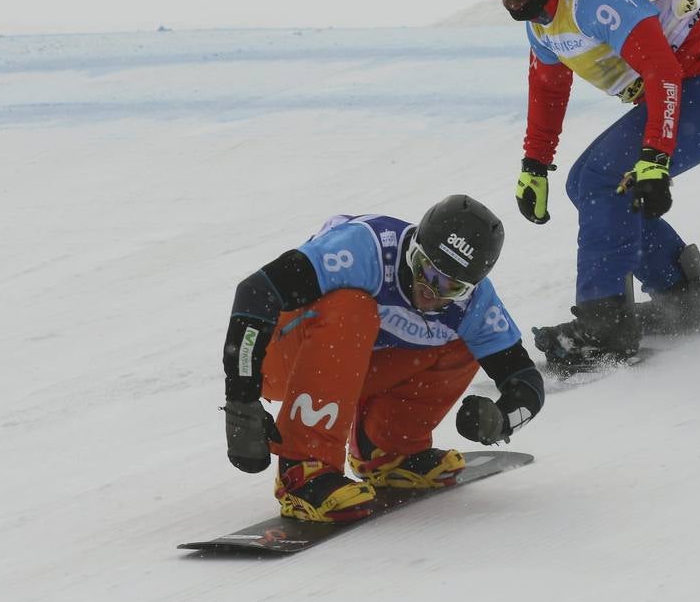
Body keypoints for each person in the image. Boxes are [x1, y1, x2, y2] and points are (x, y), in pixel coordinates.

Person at [471, 0, 700, 371]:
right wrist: (534, 166)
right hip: (687, 89)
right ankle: (682, 297)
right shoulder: (541, 19)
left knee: (605, 180)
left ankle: (604, 324)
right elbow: (547, 90)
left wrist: (654, 158)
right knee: (584, 184)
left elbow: (662, 70)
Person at [220, 194, 544, 523]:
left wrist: (501, 419)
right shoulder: (364, 250)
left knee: (463, 336)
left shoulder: (475, 303)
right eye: (425, 269)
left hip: (351, 368)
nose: (429, 291)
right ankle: (304, 469)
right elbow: (256, 293)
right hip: (281, 358)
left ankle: (389, 448)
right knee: (351, 306)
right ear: (412, 246)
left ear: (471, 287)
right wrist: (241, 399)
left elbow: (526, 383)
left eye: (450, 286)